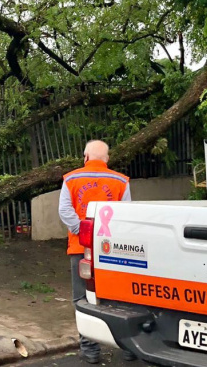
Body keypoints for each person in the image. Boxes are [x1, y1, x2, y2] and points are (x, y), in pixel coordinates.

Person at [59, 140, 136, 364]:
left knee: (82, 298)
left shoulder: (71, 179)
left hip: (80, 249)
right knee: (119, 297)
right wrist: (103, 236)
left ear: (85, 157)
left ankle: (90, 349)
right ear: (107, 159)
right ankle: (130, 346)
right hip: (112, 250)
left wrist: (83, 232)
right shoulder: (121, 181)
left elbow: (64, 210)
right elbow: (126, 214)